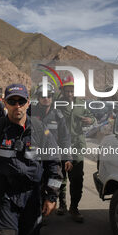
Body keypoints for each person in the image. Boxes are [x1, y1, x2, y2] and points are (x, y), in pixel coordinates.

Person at [0, 84, 63, 235]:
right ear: (5, 103)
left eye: (21, 102)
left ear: (28, 103)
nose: (17, 106)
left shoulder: (40, 129)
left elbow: (53, 162)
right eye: (12, 102)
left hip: (33, 197)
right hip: (3, 198)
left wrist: (51, 196)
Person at [56, 76, 96, 223]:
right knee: (60, 178)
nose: (70, 94)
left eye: (72, 91)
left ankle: (74, 207)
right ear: (63, 91)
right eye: (67, 91)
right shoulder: (57, 104)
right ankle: (62, 204)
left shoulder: (82, 104)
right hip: (60, 146)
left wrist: (90, 120)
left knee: (77, 179)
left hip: (77, 146)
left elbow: (93, 118)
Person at [31, 82, 73, 215]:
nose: (46, 98)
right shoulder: (30, 113)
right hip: (35, 158)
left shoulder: (58, 116)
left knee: (54, 183)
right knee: (36, 186)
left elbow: (65, 138)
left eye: (49, 95)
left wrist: (67, 157)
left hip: (52, 158)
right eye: (43, 96)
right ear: (38, 97)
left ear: (52, 97)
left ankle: (57, 204)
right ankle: (39, 214)